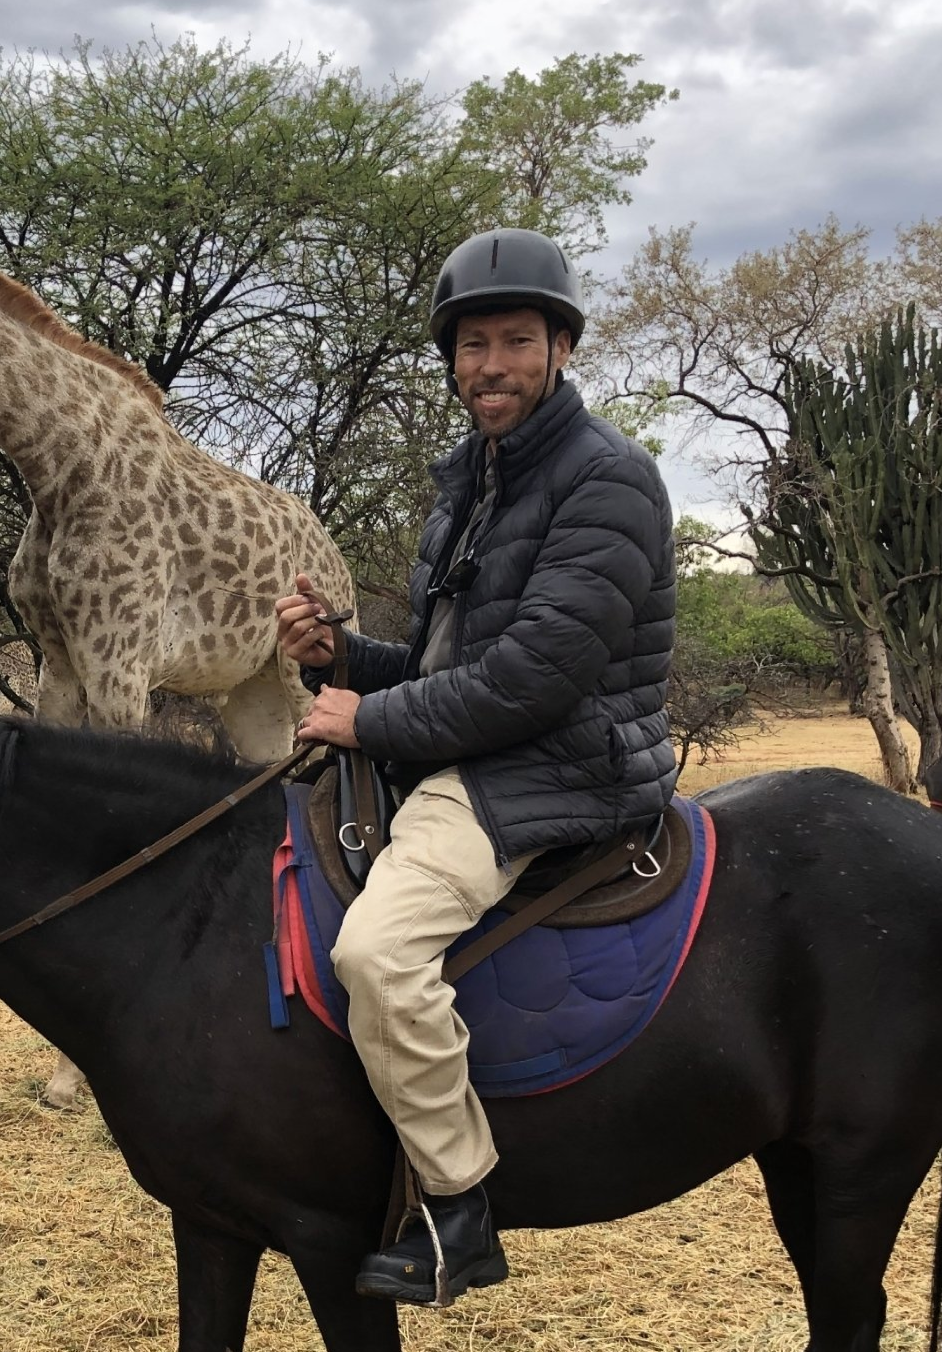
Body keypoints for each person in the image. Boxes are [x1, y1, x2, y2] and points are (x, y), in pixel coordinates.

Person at [274, 226, 677, 1305]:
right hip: (489, 740)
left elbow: (531, 681)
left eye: (511, 340)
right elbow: (445, 664)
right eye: (470, 345)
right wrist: (342, 660)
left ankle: (459, 1208)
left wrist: (366, 719)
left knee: (374, 951)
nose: (487, 365)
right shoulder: (472, 481)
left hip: (554, 765)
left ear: (558, 348)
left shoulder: (609, 480)